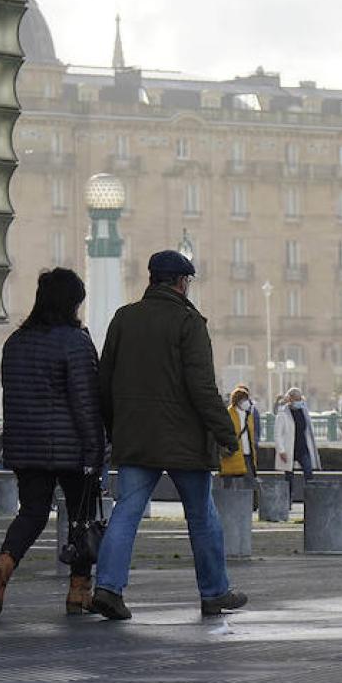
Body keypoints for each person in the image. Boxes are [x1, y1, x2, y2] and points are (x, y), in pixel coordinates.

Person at [89, 249, 247, 621]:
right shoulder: (188, 322)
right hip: (184, 442)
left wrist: (116, 429)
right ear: (181, 282)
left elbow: (104, 382)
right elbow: (202, 388)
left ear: (151, 279)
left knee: (127, 512)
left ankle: (108, 589)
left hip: (137, 438)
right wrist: (227, 435)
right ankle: (213, 592)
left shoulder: (124, 318)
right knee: (201, 516)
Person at [0, 268, 106, 617]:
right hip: (71, 448)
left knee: (32, 513)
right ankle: (79, 591)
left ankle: (4, 564)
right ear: (71, 303)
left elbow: (12, 398)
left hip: (26, 446)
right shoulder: (76, 342)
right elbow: (85, 402)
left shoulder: (15, 342)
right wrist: (96, 449)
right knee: (81, 518)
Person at [274, 388, 320, 489]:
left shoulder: (303, 411)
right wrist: (281, 451)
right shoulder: (283, 413)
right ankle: (288, 499)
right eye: (296, 399)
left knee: (309, 473)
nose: (299, 402)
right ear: (290, 399)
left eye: (300, 399)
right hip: (289, 449)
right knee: (289, 477)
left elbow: (308, 429)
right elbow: (278, 434)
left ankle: (311, 497)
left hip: (303, 448)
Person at [221, 385, 260, 485]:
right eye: (244, 399)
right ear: (237, 400)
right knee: (230, 483)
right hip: (234, 452)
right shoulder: (229, 414)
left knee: (250, 482)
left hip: (248, 452)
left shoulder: (248, 415)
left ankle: (251, 500)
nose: (246, 402)